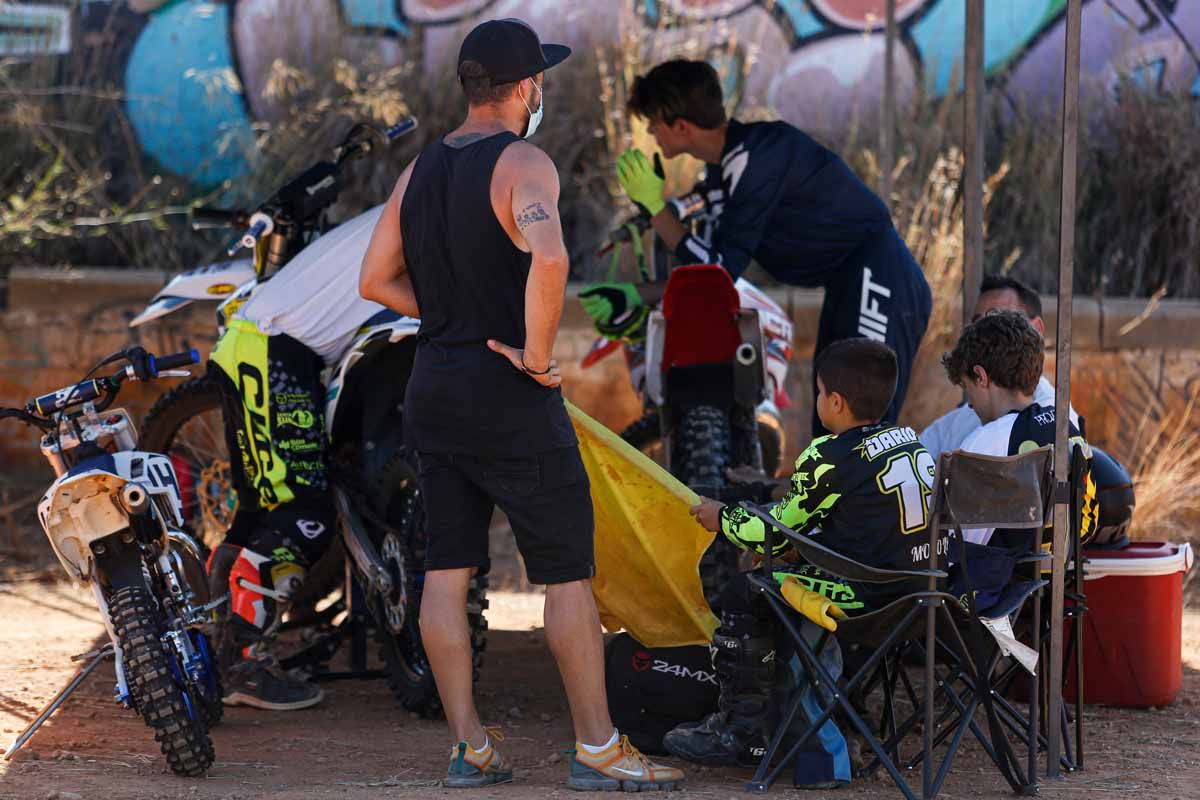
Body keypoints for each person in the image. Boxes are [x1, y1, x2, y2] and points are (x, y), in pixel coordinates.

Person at [358, 18, 684, 791]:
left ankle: (469, 747)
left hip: (433, 386)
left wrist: (444, 319)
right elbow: (550, 256)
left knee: (447, 572)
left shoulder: (423, 168)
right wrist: (534, 359)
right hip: (508, 390)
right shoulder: (524, 161)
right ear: (527, 87)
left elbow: (373, 280)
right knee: (566, 574)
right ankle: (598, 748)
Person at [581, 59, 932, 434]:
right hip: (848, 282)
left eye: (654, 123)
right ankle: (813, 492)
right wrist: (634, 292)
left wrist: (654, 209)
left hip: (879, 274)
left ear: (681, 127)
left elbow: (717, 271)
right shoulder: (728, 166)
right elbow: (701, 274)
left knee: (861, 418)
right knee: (832, 412)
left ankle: (870, 494)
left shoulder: (757, 157)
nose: (651, 132)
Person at [672, 338, 939, 782]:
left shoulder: (827, 455)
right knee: (784, 578)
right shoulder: (911, 443)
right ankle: (818, 709)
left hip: (861, 601)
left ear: (835, 401)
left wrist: (725, 517)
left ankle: (742, 727)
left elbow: (776, 530)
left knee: (748, 589)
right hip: (917, 597)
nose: (817, 401)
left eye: (818, 392)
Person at [206, 204, 388, 711]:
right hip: (272, 351)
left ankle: (213, 649)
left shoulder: (415, 199)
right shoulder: (432, 217)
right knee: (304, 516)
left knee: (260, 514)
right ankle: (241, 663)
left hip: (264, 346)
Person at [941, 310, 1097, 553]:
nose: (969, 403)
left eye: (967, 387)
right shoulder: (1065, 424)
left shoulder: (987, 442)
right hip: (1055, 577)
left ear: (981, 377)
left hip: (1000, 585)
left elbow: (956, 547)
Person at [921, 273, 1077, 460]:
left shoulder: (984, 441)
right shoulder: (1060, 422)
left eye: (1001, 319)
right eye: (979, 321)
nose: (985, 331)